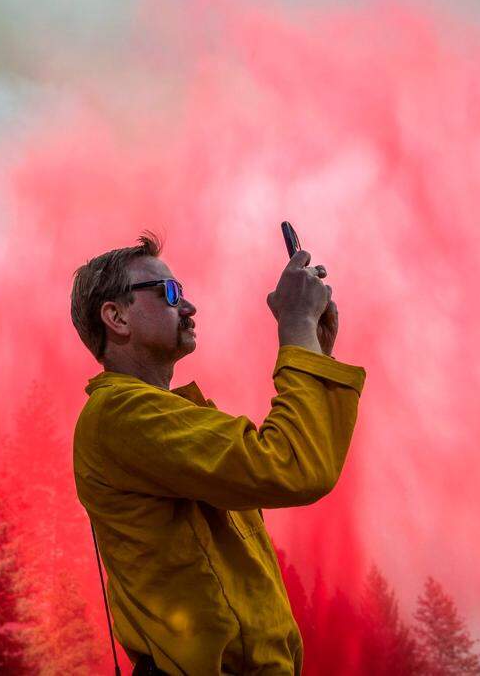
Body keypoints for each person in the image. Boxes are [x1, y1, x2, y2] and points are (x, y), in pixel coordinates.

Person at [69, 230, 365, 675]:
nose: (188, 307)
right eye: (169, 293)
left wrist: (314, 347)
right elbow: (291, 466)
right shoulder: (121, 414)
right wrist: (296, 328)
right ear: (116, 317)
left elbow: (298, 461)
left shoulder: (166, 418)